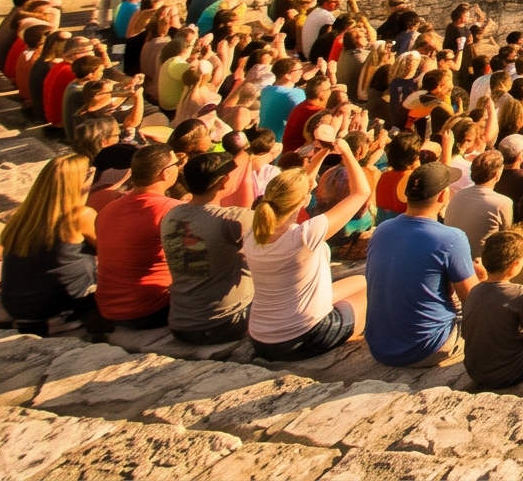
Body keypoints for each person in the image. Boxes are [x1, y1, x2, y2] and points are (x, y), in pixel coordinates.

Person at [245, 137, 374, 360]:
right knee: (375, 291)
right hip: (304, 337)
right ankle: (349, 334)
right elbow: (361, 192)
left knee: (362, 280)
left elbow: (299, 187)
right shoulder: (305, 235)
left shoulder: (253, 233)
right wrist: (345, 151)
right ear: (305, 200)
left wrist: (322, 153)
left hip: (260, 338)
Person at [363, 161, 477, 368]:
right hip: (426, 347)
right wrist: (484, 280)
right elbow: (474, 300)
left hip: (379, 348)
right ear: (443, 196)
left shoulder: (381, 230)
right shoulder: (451, 238)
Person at [0, 154, 100, 335]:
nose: (94, 174)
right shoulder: (80, 216)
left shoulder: (23, 217)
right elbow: (113, 250)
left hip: (17, 308)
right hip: (59, 311)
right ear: (77, 183)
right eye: (90, 171)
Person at [161, 150, 251, 345]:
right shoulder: (231, 219)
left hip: (180, 324)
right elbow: (286, 231)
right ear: (224, 182)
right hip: (223, 325)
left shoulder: (171, 215)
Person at [94, 142, 180, 329]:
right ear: (165, 173)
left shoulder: (108, 209)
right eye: (176, 163)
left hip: (108, 308)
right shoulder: (170, 210)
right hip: (150, 308)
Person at [464, 229, 523, 391]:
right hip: (508, 373)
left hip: (475, 372)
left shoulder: (474, 291)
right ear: (514, 265)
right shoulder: (521, 293)